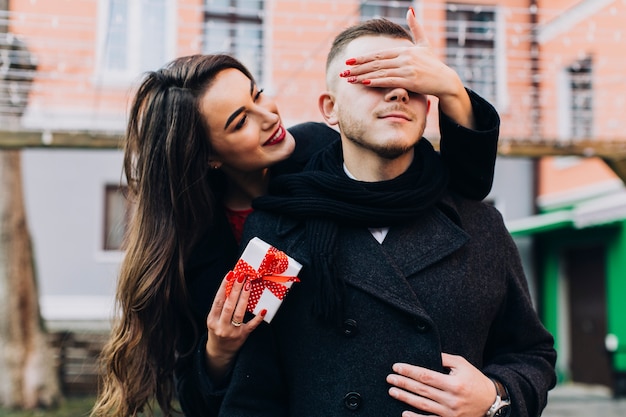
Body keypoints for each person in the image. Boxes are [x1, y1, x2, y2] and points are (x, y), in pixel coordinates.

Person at [91, 11, 500, 417]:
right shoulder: (218, 243)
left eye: (257, 94)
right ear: (209, 156)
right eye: (240, 122)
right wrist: (218, 350)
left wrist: (449, 90)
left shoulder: (323, 149)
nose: (269, 116)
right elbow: (231, 385)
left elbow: (461, 186)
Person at [216, 16, 557, 417]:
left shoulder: (480, 223)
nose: (397, 91)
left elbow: (532, 353)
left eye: (412, 82)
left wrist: (495, 398)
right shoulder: (273, 233)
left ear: (429, 105)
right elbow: (252, 390)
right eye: (373, 78)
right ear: (331, 108)